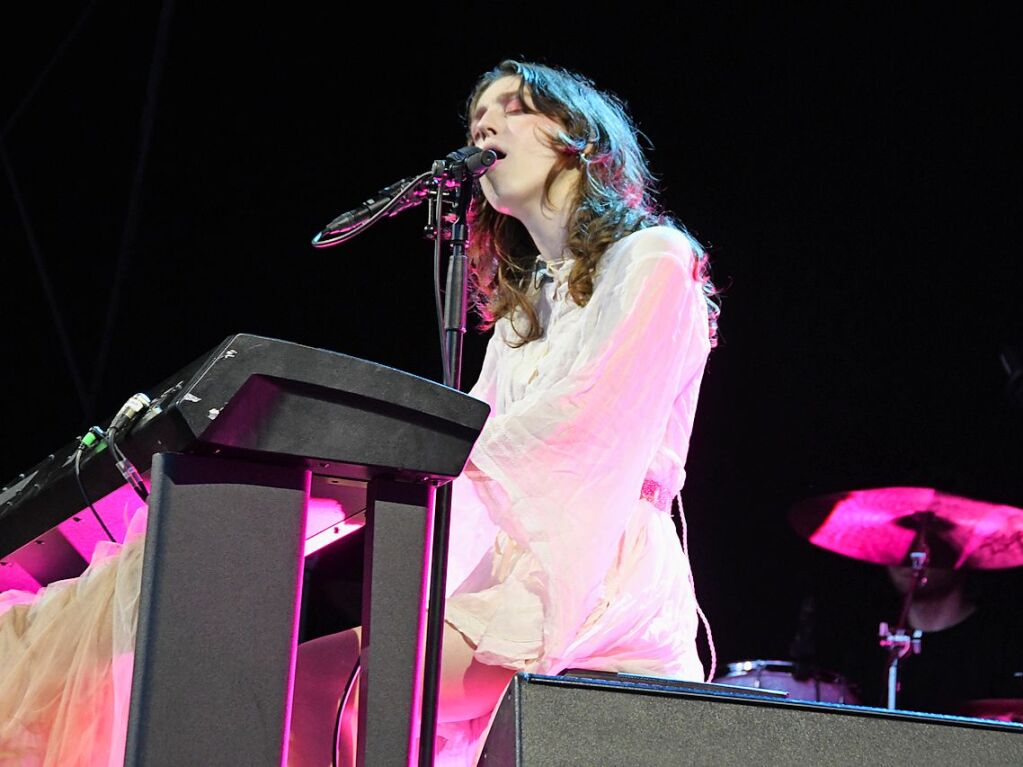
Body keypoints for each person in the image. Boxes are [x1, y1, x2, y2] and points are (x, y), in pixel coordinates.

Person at [289, 59, 720, 765]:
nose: (483, 125)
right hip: (518, 564)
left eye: (512, 108)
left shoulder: (656, 257)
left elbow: (583, 425)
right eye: (474, 119)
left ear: (577, 139)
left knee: (348, 685)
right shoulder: (524, 314)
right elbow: (477, 439)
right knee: (317, 681)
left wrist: (403, 461)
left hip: (600, 567)